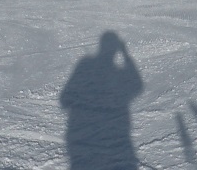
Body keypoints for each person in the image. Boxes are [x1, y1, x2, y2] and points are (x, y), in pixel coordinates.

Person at [60, 32, 143, 170]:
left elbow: (64, 99)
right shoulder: (87, 65)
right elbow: (137, 85)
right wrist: (126, 56)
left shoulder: (85, 64)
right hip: (102, 133)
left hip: (96, 133)